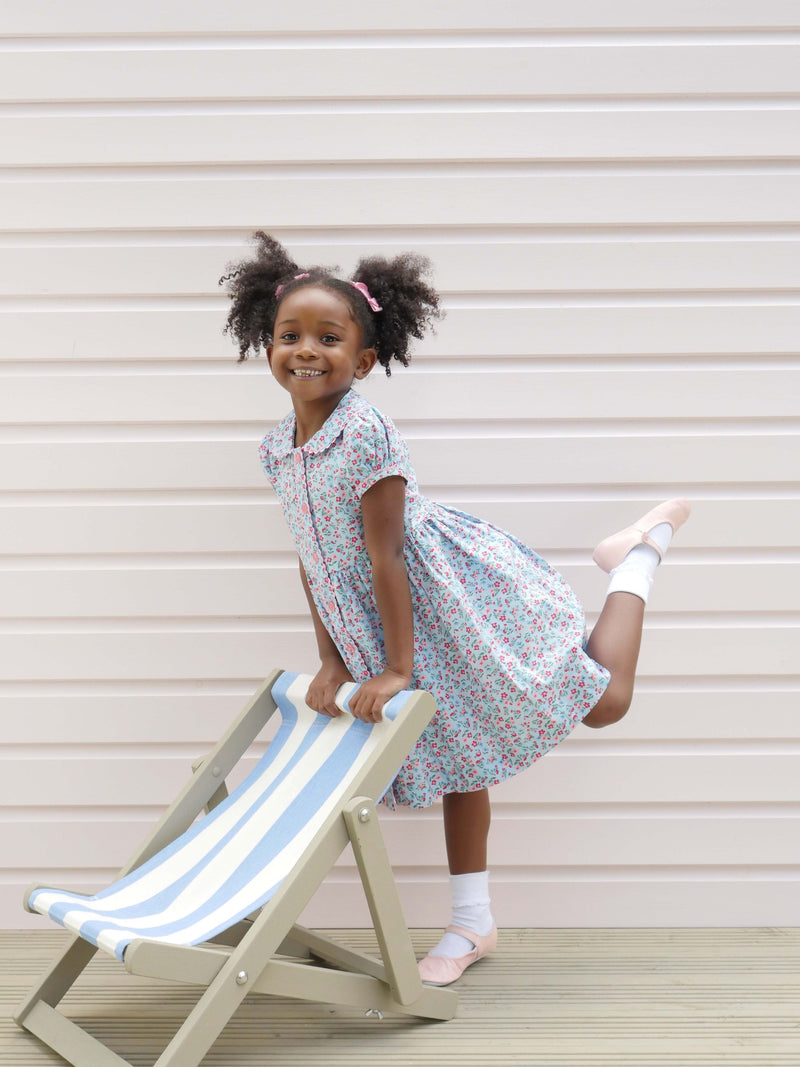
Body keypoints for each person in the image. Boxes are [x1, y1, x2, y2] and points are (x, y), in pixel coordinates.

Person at [220, 232, 690, 986]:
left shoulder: (365, 431)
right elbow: (311, 557)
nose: (306, 351)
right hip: (390, 620)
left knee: (605, 702)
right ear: (264, 345)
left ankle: (640, 556)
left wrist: (398, 667)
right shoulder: (280, 448)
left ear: (364, 360)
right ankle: (475, 922)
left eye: (329, 338)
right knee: (466, 752)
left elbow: (386, 556)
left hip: (451, 598)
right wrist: (334, 658)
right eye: (289, 336)